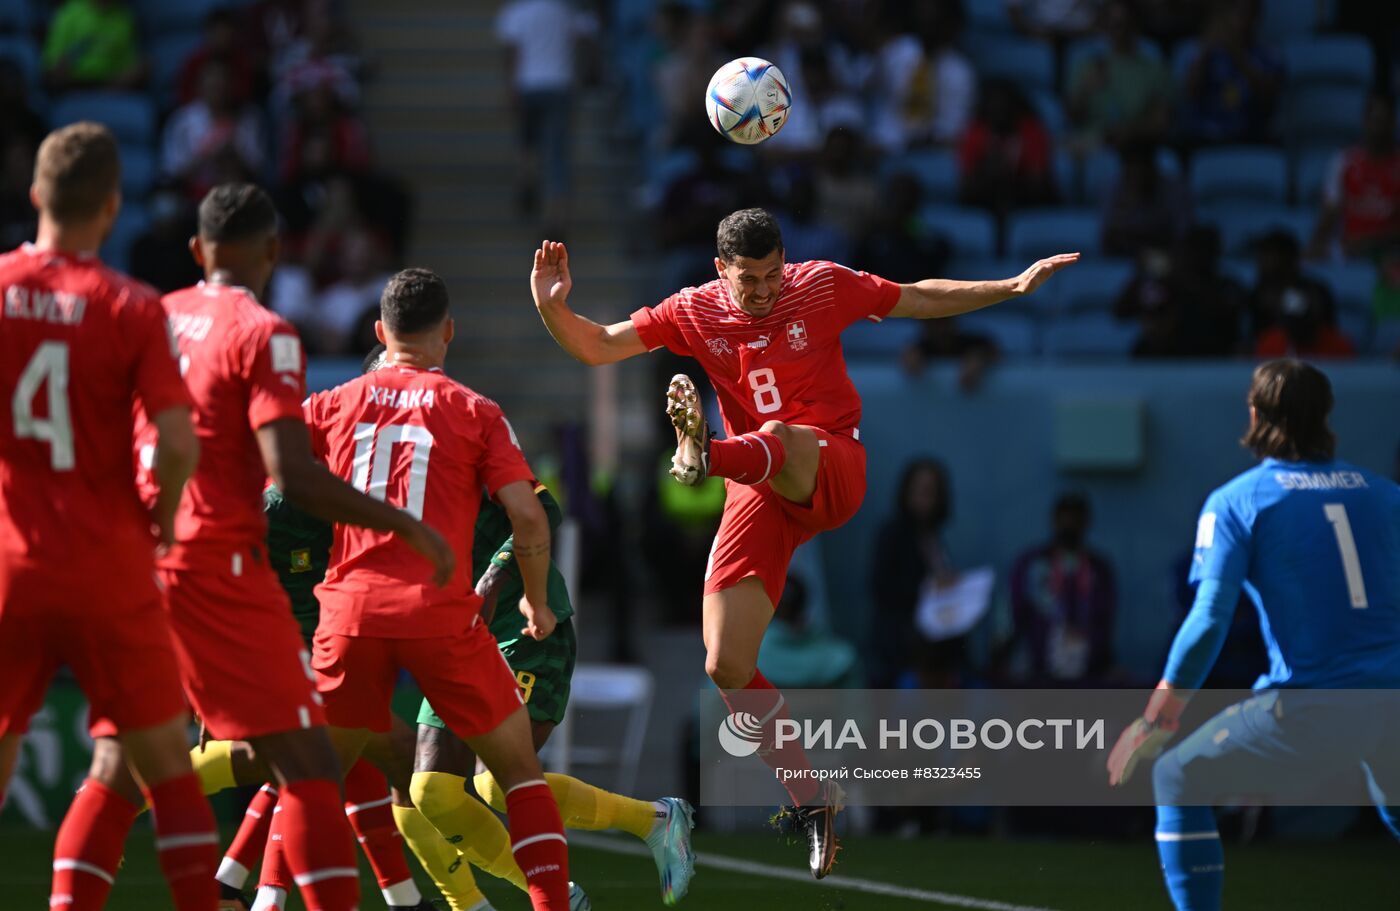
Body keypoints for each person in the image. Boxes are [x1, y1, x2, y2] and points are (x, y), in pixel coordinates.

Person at [529, 208, 1078, 877]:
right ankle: (812, 800)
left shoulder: (820, 285)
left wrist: (1010, 287)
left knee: (784, 433)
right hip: (759, 494)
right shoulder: (694, 311)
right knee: (725, 663)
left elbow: (916, 296)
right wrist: (552, 306)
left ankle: (707, 454)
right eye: (747, 279)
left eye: (770, 274)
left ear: (785, 260)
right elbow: (597, 344)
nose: (762, 291)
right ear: (718, 270)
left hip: (829, 463)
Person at [97, 183, 455, 911]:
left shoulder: (152, 314)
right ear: (272, 252)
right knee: (314, 759)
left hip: (127, 556)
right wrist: (405, 524)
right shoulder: (265, 334)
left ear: (197, 251)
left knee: (148, 765)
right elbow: (292, 474)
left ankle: (251, 890)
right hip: (216, 564)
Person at [302, 268, 572, 910]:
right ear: (449, 332)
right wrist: (534, 597)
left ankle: (256, 896)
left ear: (378, 333)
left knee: (310, 785)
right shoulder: (474, 411)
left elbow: (265, 468)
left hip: (351, 612)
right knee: (518, 776)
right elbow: (530, 515)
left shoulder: (332, 402)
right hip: (441, 614)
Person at [0, 122, 216, 910]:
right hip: (109, 563)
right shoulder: (129, 305)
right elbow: (178, 440)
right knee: (162, 759)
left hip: (13, 562)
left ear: (36, 196)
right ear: (113, 207)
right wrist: (161, 526)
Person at [1107, 359, 1400, 911]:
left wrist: (1156, 718)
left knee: (1176, 775)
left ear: (1255, 412)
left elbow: (1209, 618)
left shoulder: (1240, 500)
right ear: (1326, 416)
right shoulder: (1387, 496)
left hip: (1316, 708)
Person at [496, 0, 598, 232]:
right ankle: (557, 216)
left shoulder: (517, 13)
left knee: (527, 142)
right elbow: (588, 33)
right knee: (557, 154)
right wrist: (588, 68)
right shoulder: (566, 11)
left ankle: (527, 179)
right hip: (560, 85)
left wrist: (510, 89)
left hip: (528, 85)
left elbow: (512, 54)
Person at [1007, 493, 1118, 686]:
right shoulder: (1032, 565)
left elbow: (1105, 621)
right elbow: (1013, 614)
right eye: (1064, 518)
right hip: (1038, 674)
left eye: (1076, 519)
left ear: (1086, 523)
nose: (1069, 524)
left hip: (1087, 675)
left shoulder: (1098, 569)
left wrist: (1107, 663)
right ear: (1054, 520)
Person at [1067, 1, 1173, 153]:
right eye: (1112, 24)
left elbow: (1162, 122)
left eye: (1124, 24)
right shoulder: (1088, 65)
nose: (1119, 31)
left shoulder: (1154, 69)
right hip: (1092, 146)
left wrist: (1131, 131)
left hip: (1138, 148)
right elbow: (1072, 117)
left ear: (1136, 26)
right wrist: (1085, 90)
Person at [1309, 93, 1400, 262]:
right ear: (1365, 121)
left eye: (1385, 121)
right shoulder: (1344, 161)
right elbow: (1329, 213)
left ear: (1393, 123)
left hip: (1392, 254)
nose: (1379, 128)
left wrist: (1373, 243)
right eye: (1375, 120)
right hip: (1349, 252)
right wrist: (1313, 246)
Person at [1180, 0, 1282, 146]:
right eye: (1237, 12)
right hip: (1204, 137)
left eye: (1248, 13)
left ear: (1257, 17)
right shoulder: (1207, 52)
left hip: (1252, 137)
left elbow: (1269, 97)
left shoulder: (1270, 55)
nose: (1242, 19)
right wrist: (1205, 51)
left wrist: (1236, 53)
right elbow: (1190, 93)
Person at [1249, 230, 1355, 359]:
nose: (1270, 263)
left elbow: (1328, 330)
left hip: (1320, 352)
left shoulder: (1316, 291)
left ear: (1292, 260)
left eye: (1277, 259)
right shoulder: (1256, 294)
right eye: (1265, 258)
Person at [42, 0, 147, 92]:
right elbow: (52, 62)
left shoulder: (123, 17)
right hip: (75, 84)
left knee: (145, 65)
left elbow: (128, 64)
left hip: (110, 85)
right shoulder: (70, 12)